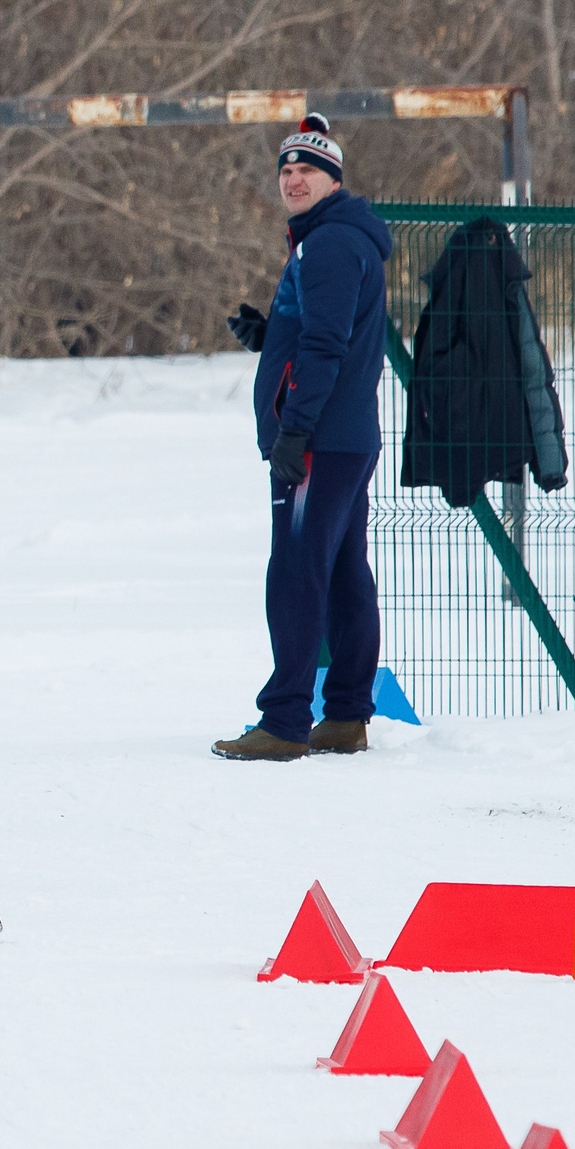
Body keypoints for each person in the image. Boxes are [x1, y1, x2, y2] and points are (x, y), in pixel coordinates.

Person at [215, 115, 391, 760]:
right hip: (343, 435)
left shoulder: (329, 245)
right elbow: (322, 330)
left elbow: (326, 344)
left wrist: (295, 431)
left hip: (319, 442)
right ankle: (345, 715)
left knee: (294, 572)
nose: (293, 180)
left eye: (307, 171)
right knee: (344, 572)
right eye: (286, 171)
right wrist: (273, 334)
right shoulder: (335, 241)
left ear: (333, 180)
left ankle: (285, 720)